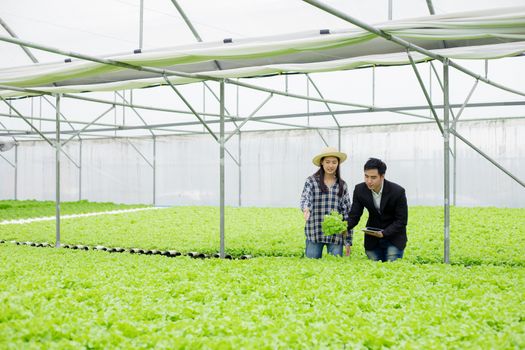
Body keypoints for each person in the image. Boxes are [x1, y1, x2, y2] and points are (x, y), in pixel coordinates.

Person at [346, 158, 408, 262]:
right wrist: (344, 226)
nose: (369, 181)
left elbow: (401, 220)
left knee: (392, 272)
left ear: (382, 176)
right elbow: (354, 215)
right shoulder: (359, 190)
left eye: (373, 177)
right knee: (374, 271)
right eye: (366, 176)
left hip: (394, 238)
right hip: (372, 240)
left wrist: (384, 233)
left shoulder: (397, 191)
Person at [300, 146, 352, 259]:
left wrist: (348, 241)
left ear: (338, 164)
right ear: (322, 163)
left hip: (335, 236)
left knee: (335, 269)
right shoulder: (311, 181)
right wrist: (306, 208)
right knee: (311, 268)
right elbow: (306, 197)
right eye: (327, 162)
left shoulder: (342, 185)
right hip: (315, 231)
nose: (330, 165)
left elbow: (347, 212)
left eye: (334, 162)